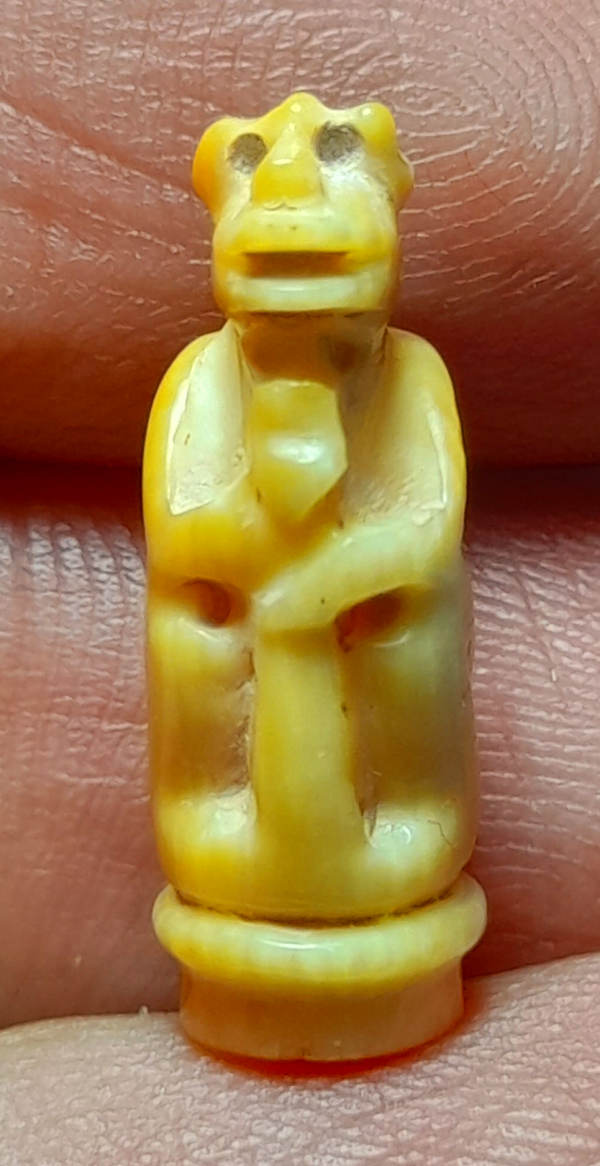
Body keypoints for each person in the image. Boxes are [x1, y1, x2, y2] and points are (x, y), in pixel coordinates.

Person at [1, 0, 599, 1161]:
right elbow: (185, 536)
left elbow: (422, 530)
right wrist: (267, 573)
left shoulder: (413, 375)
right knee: (197, 659)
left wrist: (335, 579)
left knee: (412, 650)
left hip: (384, 747)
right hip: (239, 778)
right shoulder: (197, 378)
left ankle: (382, 880)